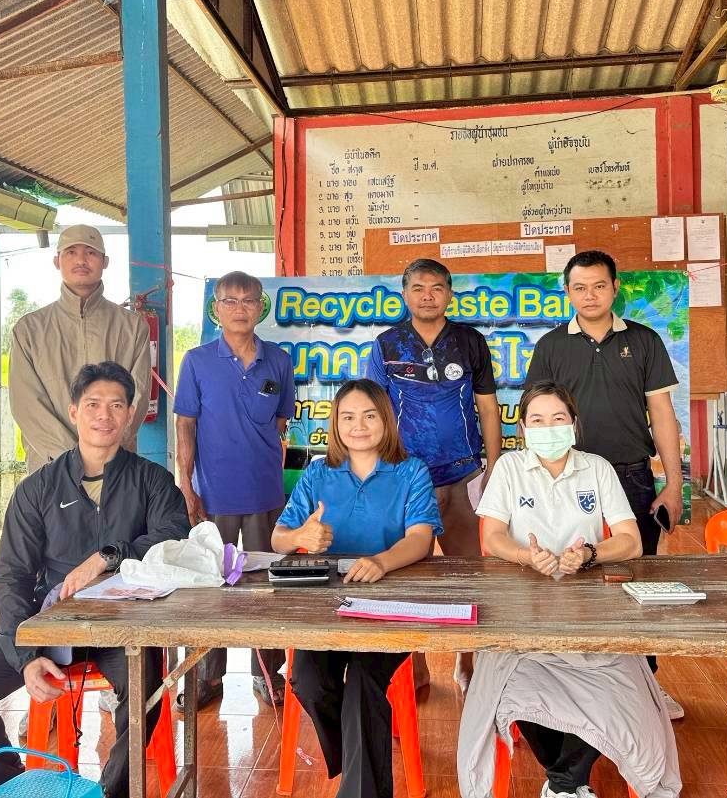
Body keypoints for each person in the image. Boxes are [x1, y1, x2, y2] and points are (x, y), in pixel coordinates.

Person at [0, 362, 190, 798]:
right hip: (53, 622)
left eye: (116, 405)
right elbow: (12, 575)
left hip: (126, 625)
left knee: (144, 692)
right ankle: (13, 787)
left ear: (130, 414)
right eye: (92, 404)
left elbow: (175, 540)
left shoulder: (152, 481)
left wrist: (108, 556)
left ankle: (110, 792)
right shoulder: (38, 489)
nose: (104, 415)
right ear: (74, 411)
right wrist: (26, 655)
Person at [457, 382, 681, 798]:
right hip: (522, 607)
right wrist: (526, 556)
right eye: (537, 420)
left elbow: (631, 540)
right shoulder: (508, 468)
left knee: (616, 688)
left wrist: (591, 554)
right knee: (518, 687)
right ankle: (567, 782)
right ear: (523, 428)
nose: (549, 428)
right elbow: (492, 537)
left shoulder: (596, 468)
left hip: (591, 610)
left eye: (558, 418)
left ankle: (562, 784)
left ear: (574, 424)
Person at [523, 249, 686, 719]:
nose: (589, 295)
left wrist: (673, 484)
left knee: (637, 579)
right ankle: (569, 687)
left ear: (615, 288)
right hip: (568, 480)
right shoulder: (551, 346)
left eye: (599, 286)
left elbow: (662, 415)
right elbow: (537, 418)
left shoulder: (644, 340)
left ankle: (646, 686)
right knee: (568, 574)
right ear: (567, 292)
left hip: (631, 475)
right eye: (579, 287)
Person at [272, 379, 442, 798]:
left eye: (369, 416)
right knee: (308, 680)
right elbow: (279, 538)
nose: (359, 426)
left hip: (392, 604)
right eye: (348, 417)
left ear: (386, 420)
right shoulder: (318, 472)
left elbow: (420, 539)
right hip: (328, 606)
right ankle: (354, 757)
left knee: (364, 685)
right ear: (336, 424)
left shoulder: (411, 471)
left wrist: (382, 562)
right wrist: (301, 537)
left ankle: (358, 786)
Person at [366, 258, 501, 690]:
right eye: (419, 288)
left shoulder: (469, 341)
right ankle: (416, 662)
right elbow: (374, 412)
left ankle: (466, 661)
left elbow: (487, 408)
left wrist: (494, 466)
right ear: (405, 294)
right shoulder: (386, 345)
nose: (428, 296)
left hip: (463, 473)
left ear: (449, 294)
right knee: (408, 573)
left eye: (437, 288)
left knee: (468, 573)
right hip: (406, 478)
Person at [174, 270, 293, 708]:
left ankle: (267, 673)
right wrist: (186, 485)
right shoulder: (197, 361)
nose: (240, 309)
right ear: (216, 309)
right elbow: (185, 424)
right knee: (211, 586)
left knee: (267, 585)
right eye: (230, 301)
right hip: (213, 495)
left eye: (248, 300)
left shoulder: (278, 360)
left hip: (265, 493)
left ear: (261, 307)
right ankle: (207, 677)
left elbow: (280, 421)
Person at [9, 224, 151, 474]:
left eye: (91, 252)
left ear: (105, 262)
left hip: (114, 468)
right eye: (71, 252)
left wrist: (103, 453)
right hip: (50, 468)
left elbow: (137, 398)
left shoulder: (132, 327)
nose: (81, 260)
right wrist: (71, 459)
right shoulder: (29, 330)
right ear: (57, 261)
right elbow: (27, 404)